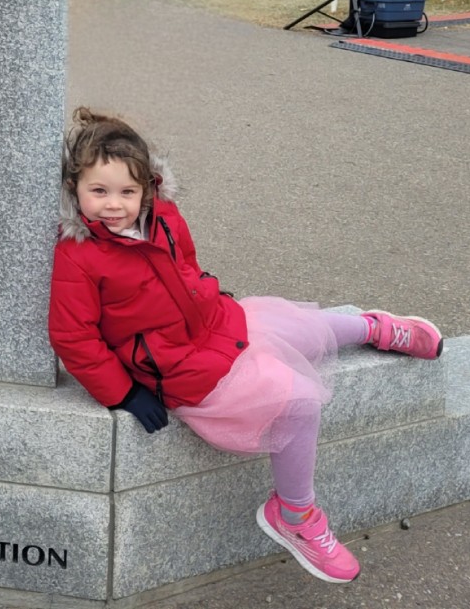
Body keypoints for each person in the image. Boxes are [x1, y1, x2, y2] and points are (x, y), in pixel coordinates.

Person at [48, 108, 443, 585]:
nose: (114, 205)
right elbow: (73, 336)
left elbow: (187, 266)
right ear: (75, 190)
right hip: (183, 371)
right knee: (298, 404)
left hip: (216, 324)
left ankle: (374, 328)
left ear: (147, 188)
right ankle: (294, 516)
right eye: (99, 191)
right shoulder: (78, 255)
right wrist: (121, 393)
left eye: (127, 192)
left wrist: (207, 295)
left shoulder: (165, 216)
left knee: (301, 327)